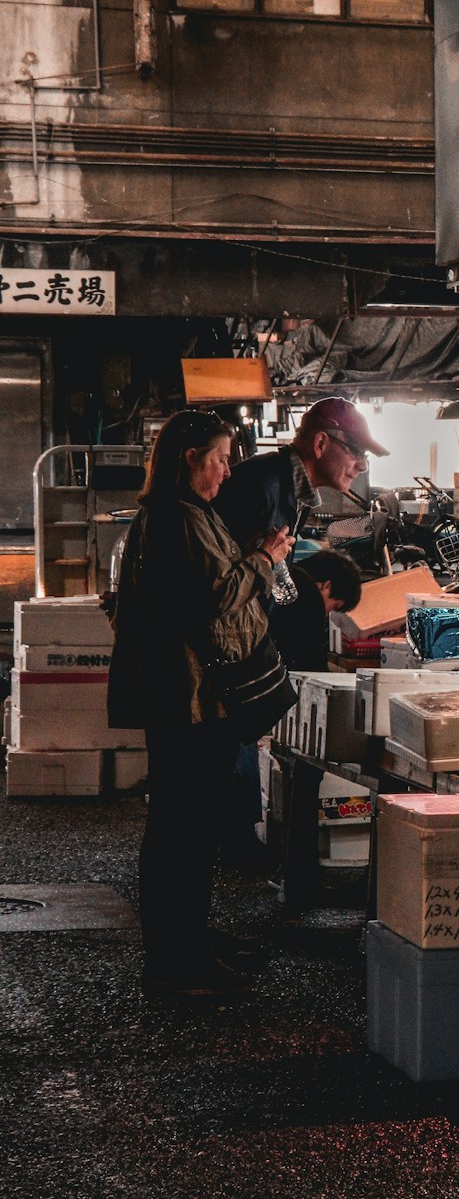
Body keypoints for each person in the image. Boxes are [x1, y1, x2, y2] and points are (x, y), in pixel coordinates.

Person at [106, 410, 294, 998]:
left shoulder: (185, 513)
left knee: (188, 830)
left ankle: (187, 942)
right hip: (185, 701)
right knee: (182, 833)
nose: (228, 469)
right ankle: (176, 962)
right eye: (220, 457)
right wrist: (264, 557)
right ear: (190, 457)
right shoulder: (176, 518)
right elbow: (220, 596)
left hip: (191, 699)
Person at [215, 398, 384, 872]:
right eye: (354, 451)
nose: (360, 464)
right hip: (222, 658)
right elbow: (231, 583)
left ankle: (194, 929)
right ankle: (185, 938)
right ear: (322, 442)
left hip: (236, 651)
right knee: (208, 783)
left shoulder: (286, 488)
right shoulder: (265, 488)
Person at [214, 396, 388, 550]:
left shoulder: (295, 491)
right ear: (320, 444)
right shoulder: (258, 489)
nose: (363, 466)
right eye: (356, 451)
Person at [267, 549, 363, 672]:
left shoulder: (287, 571)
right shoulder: (309, 596)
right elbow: (313, 665)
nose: (327, 614)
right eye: (334, 607)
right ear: (327, 586)